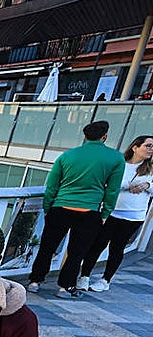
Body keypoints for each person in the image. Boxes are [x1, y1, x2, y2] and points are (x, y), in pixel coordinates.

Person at [27, 120, 125, 298]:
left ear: (85, 136)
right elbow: (112, 189)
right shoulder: (116, 158)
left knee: (47, 247)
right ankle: (66, 286)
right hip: (90, 211)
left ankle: (35, 281)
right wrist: (105, 212)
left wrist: (48, 206)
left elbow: (52, 185)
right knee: (77, 251)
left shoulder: (67, 156)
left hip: (60, 207)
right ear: (105, 136)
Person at [78, 134, 153, 292]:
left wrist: (147, 185)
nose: (151, 149)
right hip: (111, 212)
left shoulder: (151, 170)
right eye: (148, 145)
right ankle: (84, 276)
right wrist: (128, 185)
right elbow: (107, 183)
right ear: (135, 147)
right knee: (97, 245)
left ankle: (105, 280)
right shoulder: (120, 164)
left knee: (117, 248)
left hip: (134, 216)